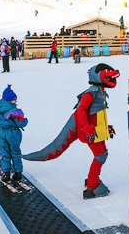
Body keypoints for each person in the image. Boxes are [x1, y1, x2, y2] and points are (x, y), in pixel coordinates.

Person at [23, 64, 119, 199]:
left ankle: (93, 180)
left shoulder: (100, 91)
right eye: (107, 71)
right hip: (89, 131)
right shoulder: (91, 93)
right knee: (100, 156)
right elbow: (81, 111)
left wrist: (105, 127)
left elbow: (97, 114)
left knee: (103, 154)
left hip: (97, 130)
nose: (110, 74)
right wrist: (86, 127)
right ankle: (92, 187)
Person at [0, 85, 29, 187]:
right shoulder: (15, 111)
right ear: (10, 100)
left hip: (1, 133)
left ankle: (6, 173)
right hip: (13, 133)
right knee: (15, 152)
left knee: (4, 152)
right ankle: (18, 173)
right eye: (14, 100)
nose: (15, 102)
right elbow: (21, 123)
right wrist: (25, 120)